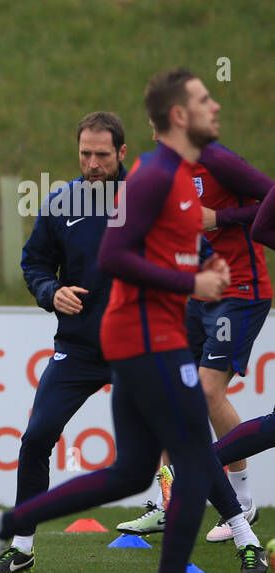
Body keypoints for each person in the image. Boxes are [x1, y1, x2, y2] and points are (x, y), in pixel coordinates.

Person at [0, 68, 266, 573]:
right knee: (190, 452)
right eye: (205, 99)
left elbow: (179, 251)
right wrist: (190, 285)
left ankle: (3, 526)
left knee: (136, 472)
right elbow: (114, 258)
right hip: (137, 344)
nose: (216, 105)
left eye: (100, 154)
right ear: (179, 116)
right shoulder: (150, 181)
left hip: (150, 340)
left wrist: (203, 267)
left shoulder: (172, 178)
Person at [116, 139, 272, 541]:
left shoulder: (218, 159)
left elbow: (270, 198)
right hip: (196, 294)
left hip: (239, 291)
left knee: (206, 392)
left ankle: (242, 503)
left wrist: (219, 217)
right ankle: (168, 504)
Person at [0, 112, 127, 573]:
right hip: (79, 350)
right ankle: (22, 547)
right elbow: (34, 265)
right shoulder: (61, 203)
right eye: (85, 154)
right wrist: (53, 293)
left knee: (185, 440)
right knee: (35, 438)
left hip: (140, 348)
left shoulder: (146, 202)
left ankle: (240, 530)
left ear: (122, 154)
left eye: (102, 155)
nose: (92, 163)